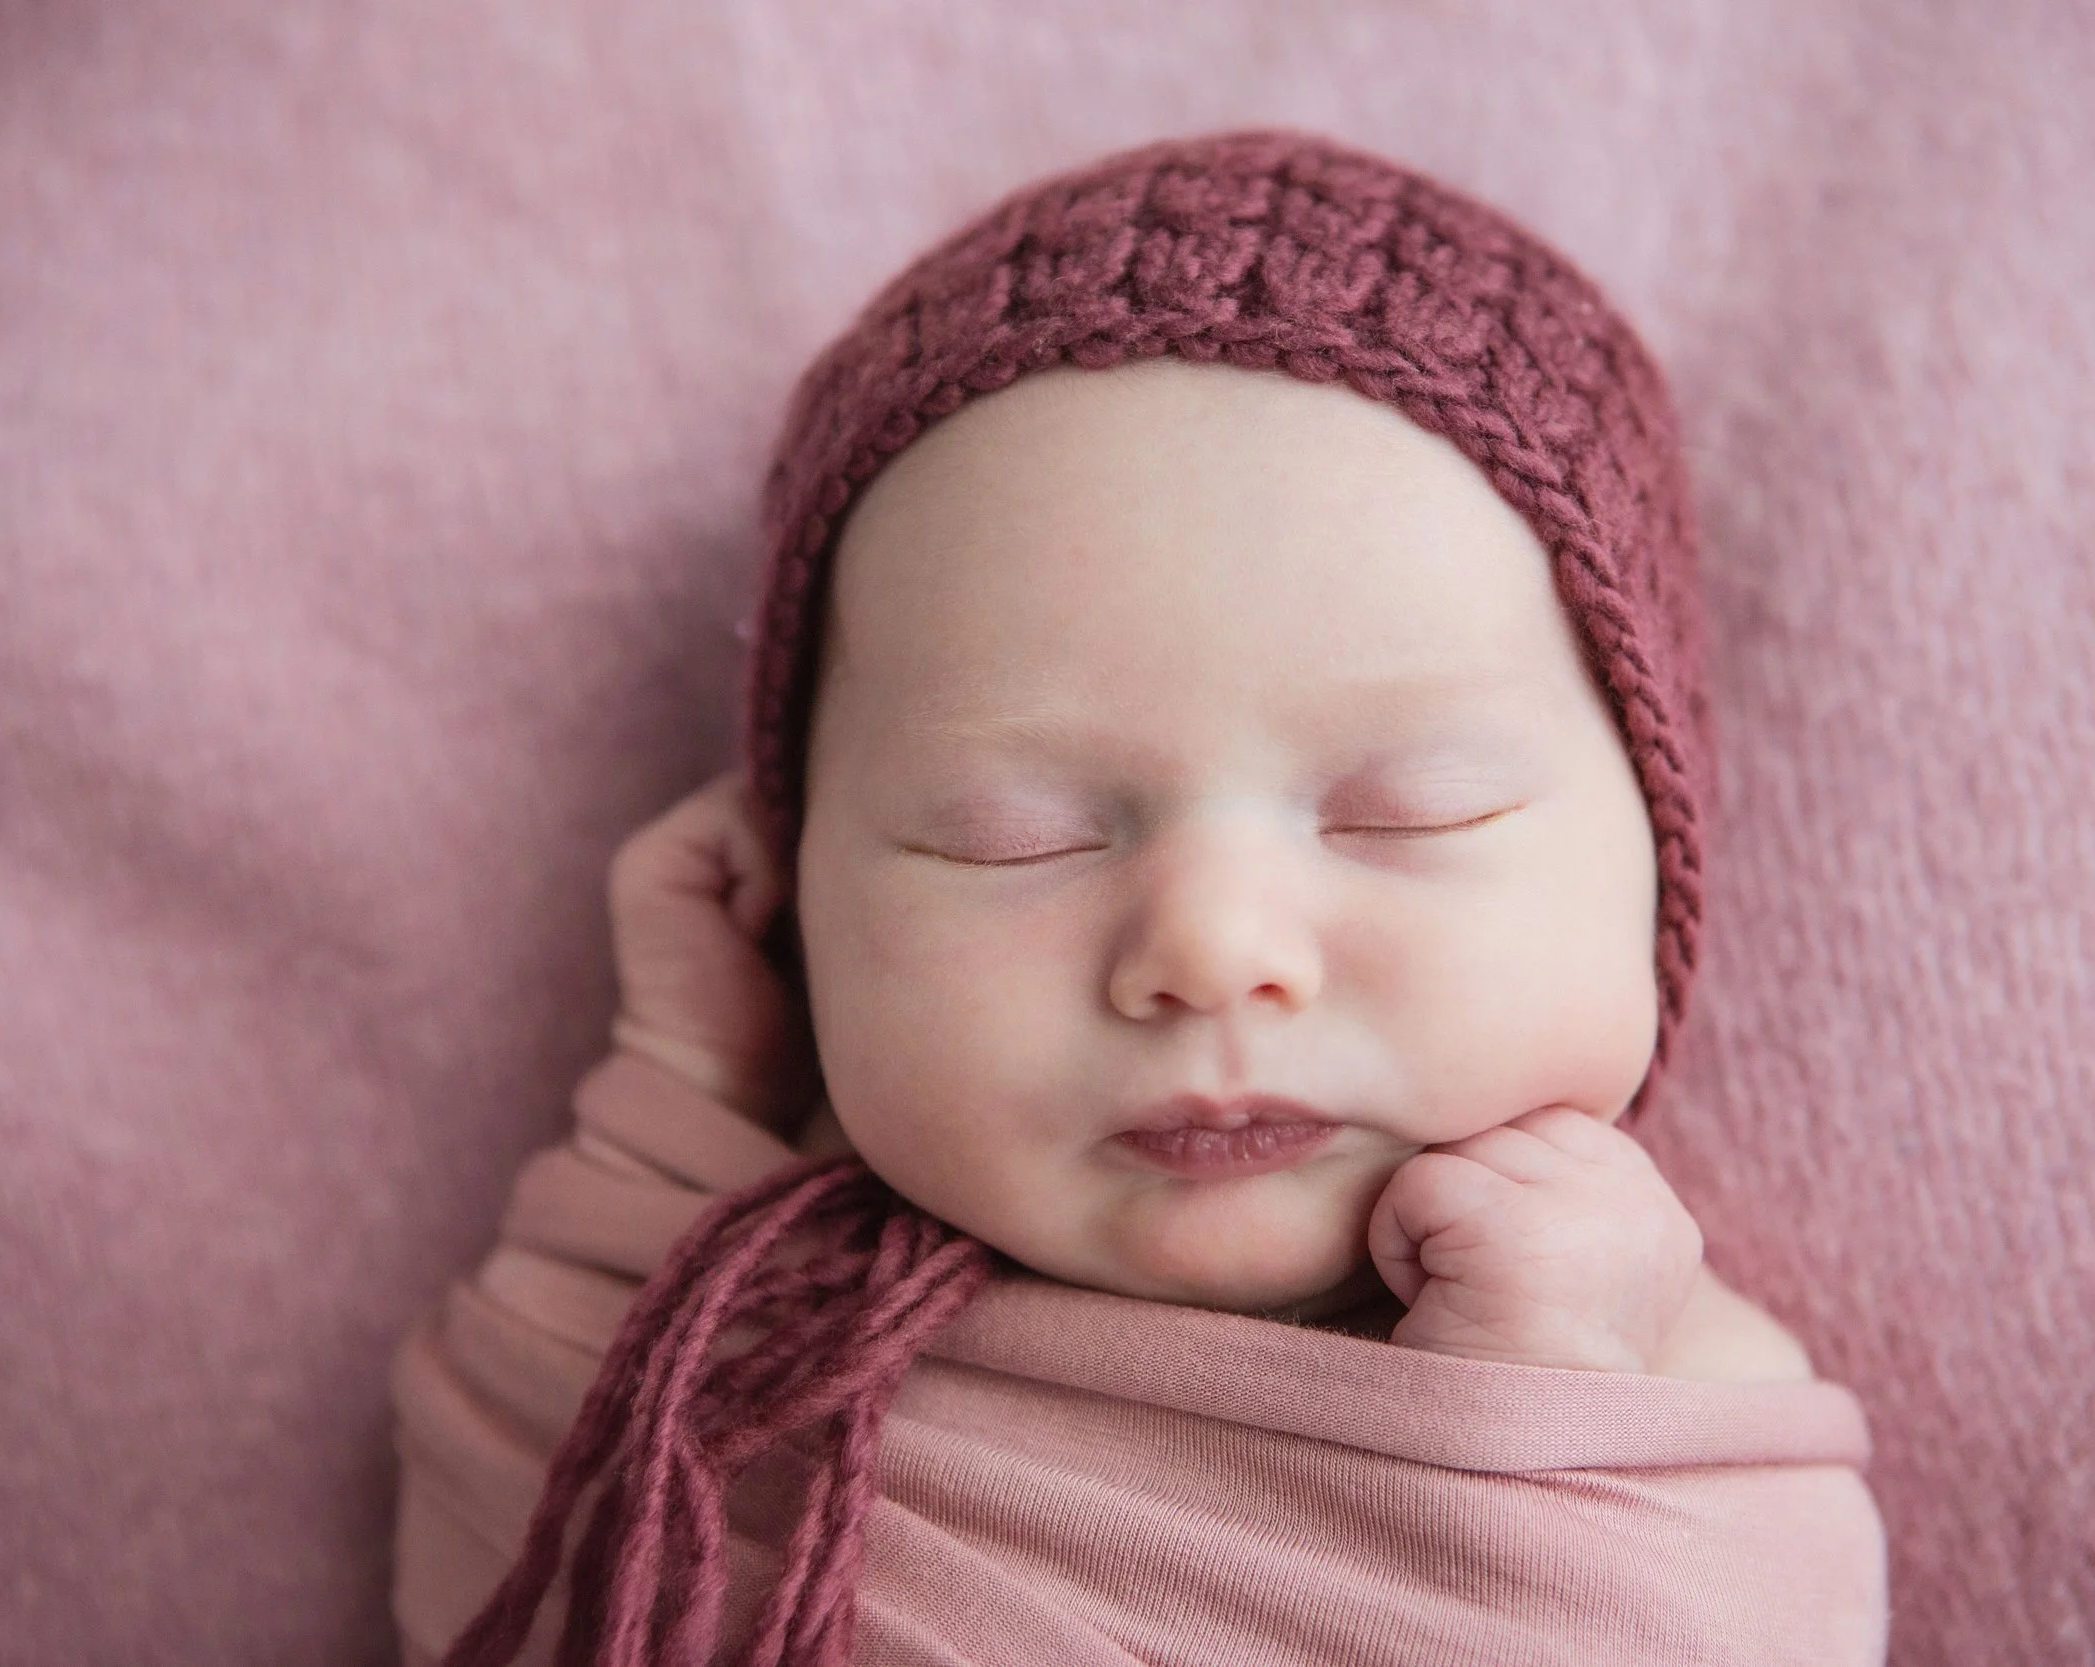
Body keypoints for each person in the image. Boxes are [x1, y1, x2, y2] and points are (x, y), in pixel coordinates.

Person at [392, 130, 1886, 1667]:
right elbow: (527, 1574)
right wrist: (694, 1083)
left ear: (1659, 845)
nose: (1210, 949)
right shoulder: (763, 1319)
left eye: (1404, 808)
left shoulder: (1669, 1370)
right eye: (1010, 835)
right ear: (802, 889)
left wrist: (1529, 1416)